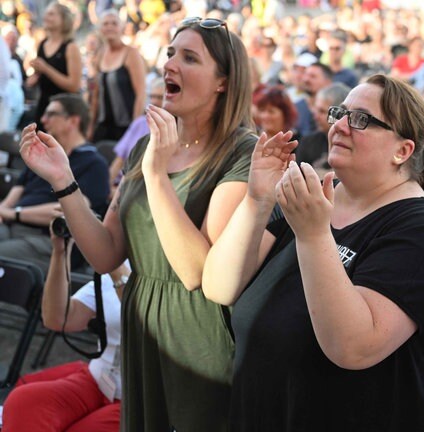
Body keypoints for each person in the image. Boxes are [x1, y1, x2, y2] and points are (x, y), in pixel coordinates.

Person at [18, 17, 255, 431]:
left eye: (189, 58)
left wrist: (157, 174)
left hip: (199, 334)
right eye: (169, 54)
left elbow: (196, 271)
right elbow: (107, 251)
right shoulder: (147, 146)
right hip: (140, 323)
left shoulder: (241, 153)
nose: (169, 66)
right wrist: (62, 179)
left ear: (223, 81)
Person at [202, 74, 424, 430]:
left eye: (361, 119)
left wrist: (312, 235)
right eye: (340, 113)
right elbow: (219, 286)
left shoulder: (420, 229)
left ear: (403, 150)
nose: (340, 125)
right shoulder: (314, 196)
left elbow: (353, 346)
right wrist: (258, 199)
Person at [2, 228, 129, 432]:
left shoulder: (178, 271)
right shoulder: (116, 268)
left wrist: (113, 262)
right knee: (24, 402)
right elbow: (58, 319)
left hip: (143, 401)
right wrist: (61, 251)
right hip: (97, 380)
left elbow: (147, 323)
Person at [0, 93, 109, 272]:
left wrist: (14, 213)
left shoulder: (95, 163)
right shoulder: (42, 153)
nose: (43, 119)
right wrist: (4, 212)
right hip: (13, 227)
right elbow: (14, 195)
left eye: (51, 114)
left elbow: (66, 212)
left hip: (49, 239)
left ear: (73, 121)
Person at [89, 9, 146, 142]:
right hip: (104, 127)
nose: (110, 27)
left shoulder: (131, 53)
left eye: (114, 23)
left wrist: (135, 128)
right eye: (106, 24)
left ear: (121, 28)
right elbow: (96, 96)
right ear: (100, 29)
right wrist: (91, 127)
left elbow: (141, 94)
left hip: (126, 128)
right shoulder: (100, 55)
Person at [27, 2, 82, 129]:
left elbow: (74, 86)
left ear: (63, 19)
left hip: (63, 111)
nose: (46, 17)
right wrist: (34, 78)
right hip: (44, 106)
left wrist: (46, 69)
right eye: (46, 14)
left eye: (51, 14)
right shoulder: (42, 44)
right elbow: (42, 75)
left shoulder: (70, 47)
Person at [295, 82, 350, 174]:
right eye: (316, 109)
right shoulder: (308, 142)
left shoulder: (350, 144)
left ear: (339, 114)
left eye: (322, 111)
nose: (315, 116)